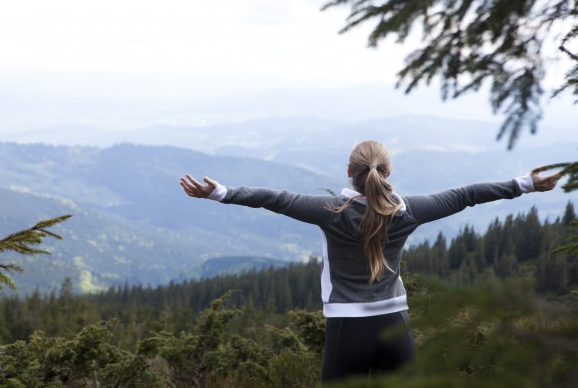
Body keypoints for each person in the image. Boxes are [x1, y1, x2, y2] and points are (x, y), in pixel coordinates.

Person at [179, 140, 561, 383]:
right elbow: (466, 195)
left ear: (349, 172)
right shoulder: (408, 211)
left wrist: (221, 193)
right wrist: (523, 184)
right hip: (397, 322)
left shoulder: (331, 211)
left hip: (348, 323)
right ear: (388, 173)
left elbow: (275, 198)